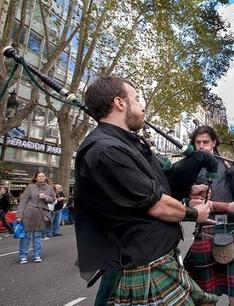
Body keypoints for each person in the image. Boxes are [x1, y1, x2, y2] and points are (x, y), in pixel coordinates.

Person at [74, 76, 218, 305]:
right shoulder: (106, 151)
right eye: (137, 99)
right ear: (120, 103)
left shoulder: (127, 144)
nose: (143, 105)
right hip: (141, 266)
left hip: (158, 259)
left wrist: (188, 192)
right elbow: (157, 204)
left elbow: (156, 185)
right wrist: (195, 214)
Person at [185, 126, 234, 306]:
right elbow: (190, 204)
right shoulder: (189, 167)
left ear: (214, 143)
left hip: (231, 229)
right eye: (197, 142)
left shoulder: (227, 165)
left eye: (205, 142)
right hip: (205, 230)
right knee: (207, 297)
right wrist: (226, 206)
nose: (201, 146)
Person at [16, 171, 55, 264]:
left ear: (45, 178)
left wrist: (46, 197)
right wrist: (19, 215)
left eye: (43, 176)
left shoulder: (50, 188)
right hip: (29, 214)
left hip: (42, 214)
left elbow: (53, 199)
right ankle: (23, 256)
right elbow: (23, 201)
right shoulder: (30, 187)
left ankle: (37, 255)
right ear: (36, 178)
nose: (41, 177)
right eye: (39, 176)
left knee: (37, 235)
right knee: (26, 235)